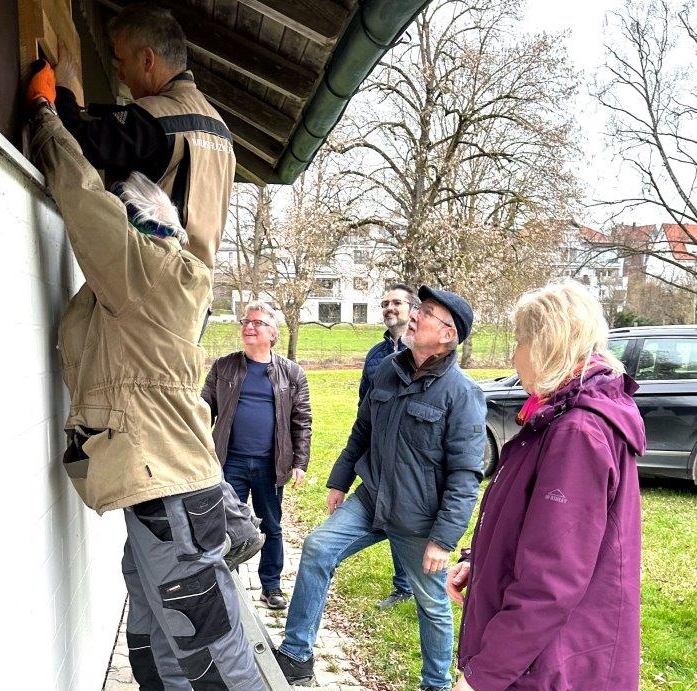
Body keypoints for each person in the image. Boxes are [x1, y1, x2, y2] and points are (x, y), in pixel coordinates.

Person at [25, 91, 264, 691]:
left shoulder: (144, 274)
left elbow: (82, 201)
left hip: (171, 496)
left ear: (135, 228)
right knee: (159, 629)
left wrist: (47, 121)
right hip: (173, 486)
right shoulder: (172, 277)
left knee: (207, 649)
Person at [274, 286, 487, 691]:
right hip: (371, 499)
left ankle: (436, 684)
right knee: (318, 548)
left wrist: (443, 540)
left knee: (432, 604)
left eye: (425, 312)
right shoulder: (388, 369)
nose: (414, 315)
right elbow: (362, 429)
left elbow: (465, 477)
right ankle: (297, 654)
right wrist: (340, 480)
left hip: (418, 517)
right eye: (418, 308)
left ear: (447, 334)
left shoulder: (463, 394)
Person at [447, 280, 645, 691]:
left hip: (550, 667)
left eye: (519, 341)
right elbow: (533, 525)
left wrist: (486, 674)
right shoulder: (554, 416)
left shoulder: (576, 431)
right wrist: (478, 562)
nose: (513, 355)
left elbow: (552, 578)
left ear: (546, 344)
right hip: (541, 657)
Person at [53, 1, 235, 270]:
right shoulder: (221, 130)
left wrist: (64, 90)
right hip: (196, 289)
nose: (120, 73)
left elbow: (76, 143)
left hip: (153, 280)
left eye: (121, 60)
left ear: (147, 59)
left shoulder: (153, 116)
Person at [202, 302, 313, 610]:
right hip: (230, 462)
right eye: (245, 322)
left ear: (272, 334)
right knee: (228, 526)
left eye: (257, 322)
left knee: (272, 527)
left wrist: (300, 462)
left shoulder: (291, 373)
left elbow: (301, 420)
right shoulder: (224, 366)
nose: (248, 326)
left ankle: (271, 586)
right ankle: (229, 587)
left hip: (270, 464)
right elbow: (203, 410)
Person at [360, 283, 418, 608]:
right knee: (386, 511)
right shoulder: (375, 355)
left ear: (412, 309)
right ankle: (404, 584)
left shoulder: (425, 351)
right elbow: (363, 402)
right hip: (379, 452)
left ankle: (410, 585)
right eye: (384, 304)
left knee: (404, 516)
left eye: (396, 302)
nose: (389, 308)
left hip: (411, 454)